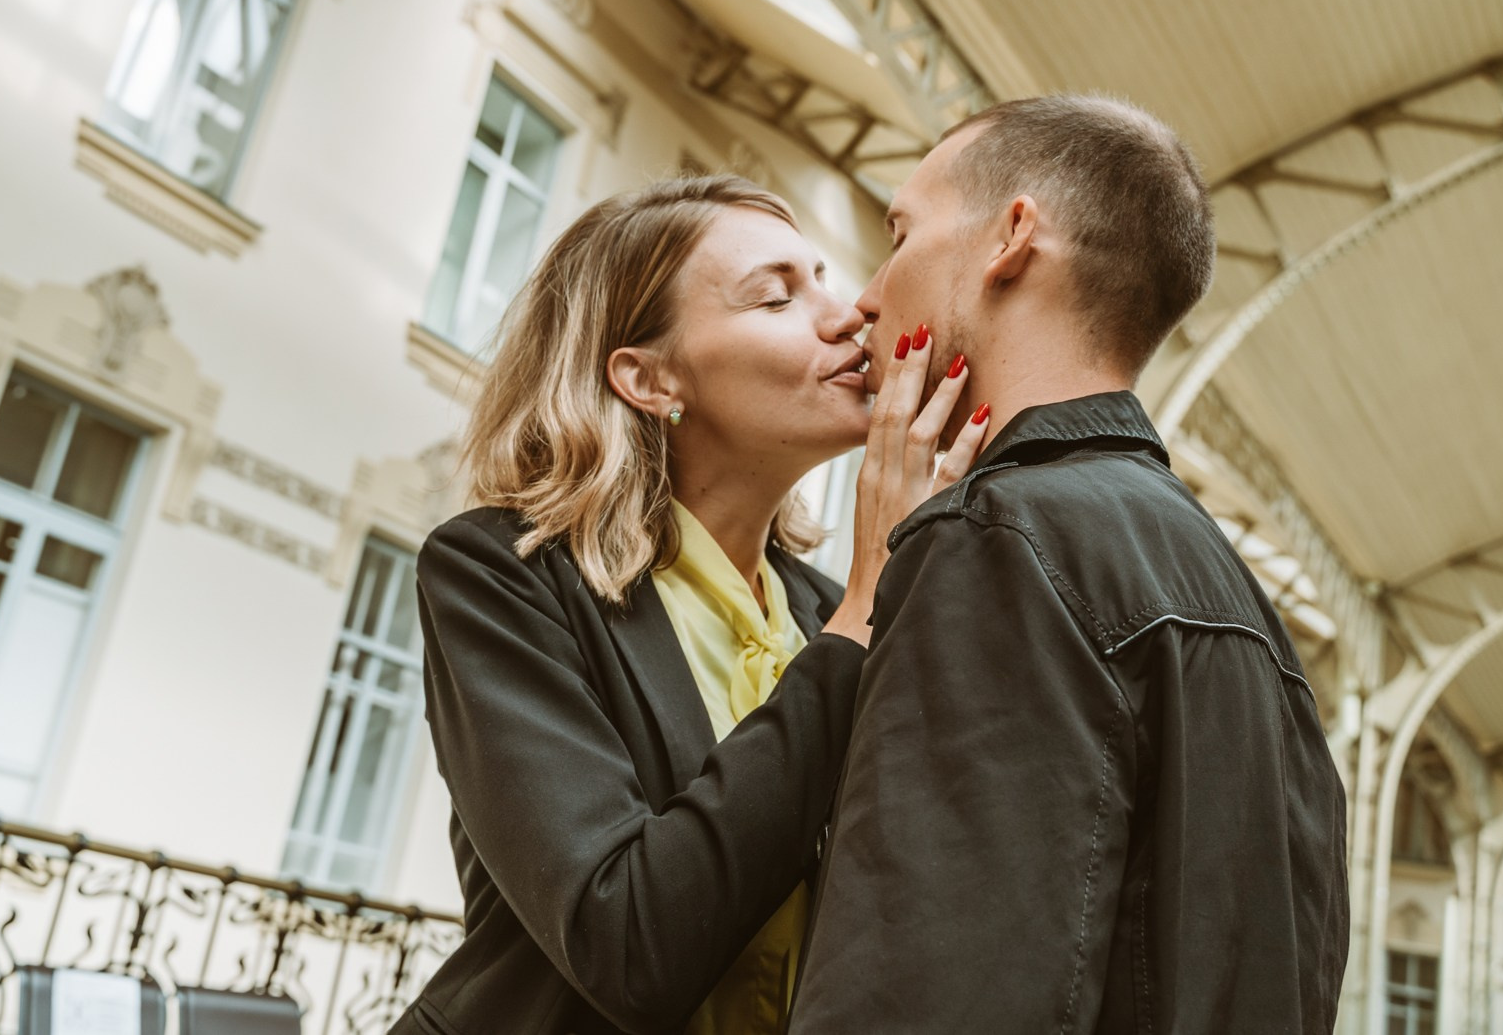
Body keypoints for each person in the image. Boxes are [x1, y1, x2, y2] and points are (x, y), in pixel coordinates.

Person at [790, 96, 1350, 1034]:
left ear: (1011, 237)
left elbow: (918, 999)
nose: (867, 296)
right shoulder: (1260, 627)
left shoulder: (996, 541)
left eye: (901, 233)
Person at [389, 174, 988, 1035]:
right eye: (777, 296)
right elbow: (629, 942)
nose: (849, 312)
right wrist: (864, 613)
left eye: (823, 277)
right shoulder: (502, 575)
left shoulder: (827, 603)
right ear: (651, 378)